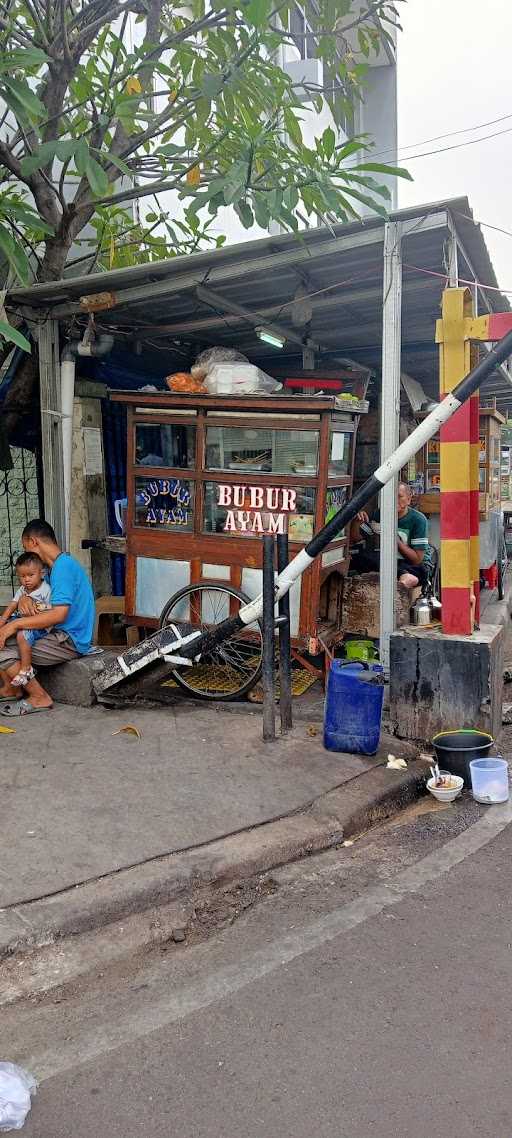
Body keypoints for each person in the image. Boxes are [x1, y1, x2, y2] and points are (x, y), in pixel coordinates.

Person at [0, 519, 95, 716]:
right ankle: (12, 689)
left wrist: (15, 624)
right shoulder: (54, 570)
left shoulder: (63, 567)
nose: (27, 555)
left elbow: (59, 614)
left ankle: (39, 697)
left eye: (26, 547)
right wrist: (25, 599)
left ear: (33, 541)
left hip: (68, 640)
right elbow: (40, 598)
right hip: (53, 634)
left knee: (2, 651)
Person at [349, 482, 431, 590]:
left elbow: (417, 559)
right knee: (359, 558)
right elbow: (356, 539)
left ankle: (405, 575)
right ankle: (402, 575)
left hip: (413, 565)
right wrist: (356, 523)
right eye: (390, 496)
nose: (394, 500)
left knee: (417, 569)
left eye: (399, 496)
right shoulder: (379, 514)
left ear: (408, 499)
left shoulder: (418, 520)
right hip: (387, 561)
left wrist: (395, 540)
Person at [0, 552, 52, 688]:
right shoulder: (22, 590)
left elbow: (52, 611)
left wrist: (39, 607)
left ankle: (26, 668)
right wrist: (2, 621)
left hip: (38, 626)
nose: (26, 580)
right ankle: (9, 686)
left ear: (42, 573)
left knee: (22, 636)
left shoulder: (46, 590)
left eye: (30, 575)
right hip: (21, 621)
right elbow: (12, 605)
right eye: (22, 576)